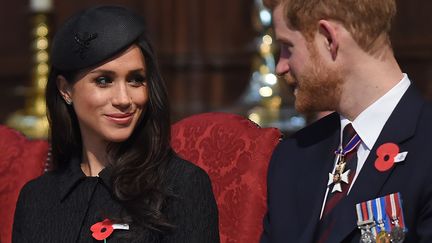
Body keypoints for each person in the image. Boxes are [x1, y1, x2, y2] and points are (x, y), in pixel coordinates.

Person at [12, 5, 219, 243]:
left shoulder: (183, 185)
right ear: (65, 89)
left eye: (135, 80)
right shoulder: (37, 197)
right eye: (104, 80)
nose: (123, 99)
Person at [261, 0, 432, 242]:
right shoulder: (291, 158)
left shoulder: (426, 148)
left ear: (328, 39)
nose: (281, 66)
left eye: (288, 47)